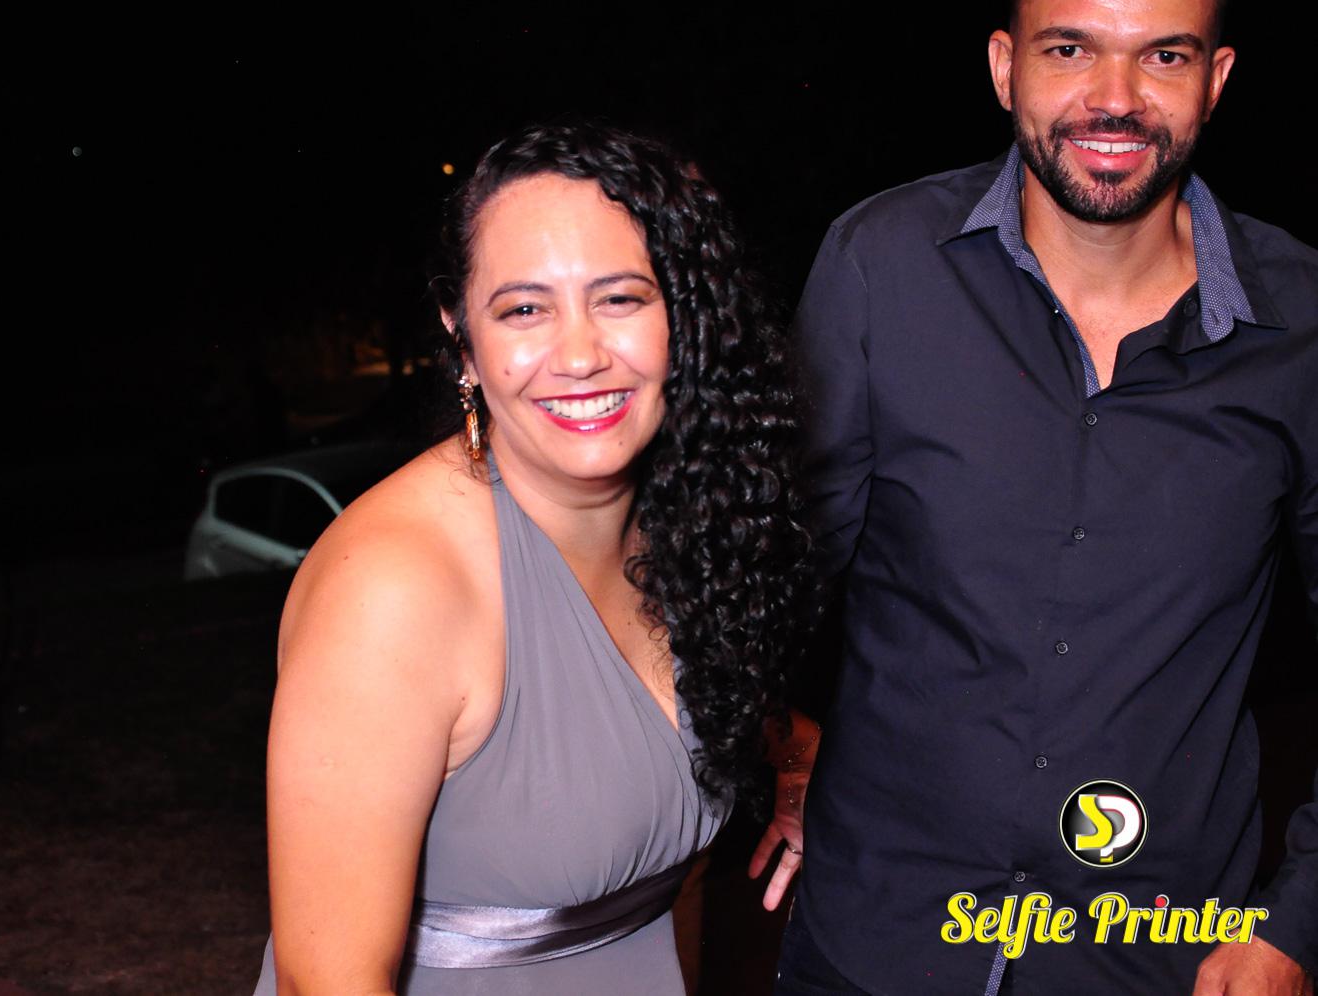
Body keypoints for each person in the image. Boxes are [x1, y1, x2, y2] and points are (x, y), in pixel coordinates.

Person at [772, 0, 1318, 992]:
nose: (1115, 98)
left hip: (1157, 957)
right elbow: (768, 577)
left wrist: (1298, 926)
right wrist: (772, 738)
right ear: (1004, 67)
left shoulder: (1303, 324)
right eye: (1070, 49)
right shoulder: (881, 264)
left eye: (1163, 56)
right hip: (877, 941)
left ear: (1216, 81)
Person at [252, 122, 810, 995]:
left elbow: (688, 718)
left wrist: (796, 762)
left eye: (620, 299)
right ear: (462, 339)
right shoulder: (393, 587)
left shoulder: (683, 518)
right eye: (524, 309)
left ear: (682, 318)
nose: (581, 355)